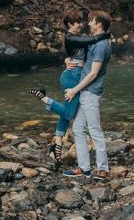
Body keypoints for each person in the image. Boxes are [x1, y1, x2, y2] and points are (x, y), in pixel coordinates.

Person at [26, 11, 109, 164]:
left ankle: (57, 142)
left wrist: (66, 59)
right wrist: (107, 35)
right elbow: (94, 39)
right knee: (70, 114)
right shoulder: (71, 37)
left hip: (74, 74)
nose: (82, 24)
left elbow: (87, 45)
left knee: (67, 110)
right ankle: (43, 97)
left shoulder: (79, 37)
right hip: (72, 76)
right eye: (78, 22)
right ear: (70, 24)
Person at [62, 10, 112, 179]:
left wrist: (74, 90)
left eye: (91, 21)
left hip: (90, 92)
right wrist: (68, 60)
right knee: (77, 129)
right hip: (84, 91)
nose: (88, 23)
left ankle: (102, 168)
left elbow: (93, 74)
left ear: (99, 25)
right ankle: (84, 168)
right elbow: (76, 52)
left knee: (95, 130)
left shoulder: (101, 45)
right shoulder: (95, 41)